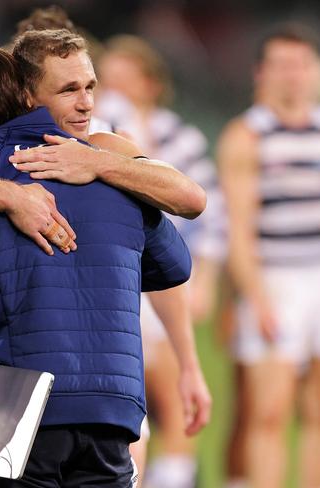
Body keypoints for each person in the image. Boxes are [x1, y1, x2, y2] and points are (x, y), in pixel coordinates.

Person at [0, 40, 200, 487]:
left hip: (11, 407)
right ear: (23, 94)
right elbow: (174, 264)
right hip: (111, 408)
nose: (85, 102)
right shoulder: (108, 168)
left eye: (89, 87)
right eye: (70, 89)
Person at [218, 25, 320, 488]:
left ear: (315, 71)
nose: (293, 75)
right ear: (262, 73)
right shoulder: (246, 135)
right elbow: (241, 230)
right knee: (268, 413)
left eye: (302, 64)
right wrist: (257, 299)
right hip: (277, 277)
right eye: (283, 65)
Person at [92, 34, 226, 488]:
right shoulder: (95, 133)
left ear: (151, 84)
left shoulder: (176, 136)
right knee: (134, 407)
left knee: (170, 399)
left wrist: (202, 282)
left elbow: (206, 213)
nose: (115, 89)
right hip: (123, 280)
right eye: (108, 79)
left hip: (163, 277)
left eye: (125, 80)